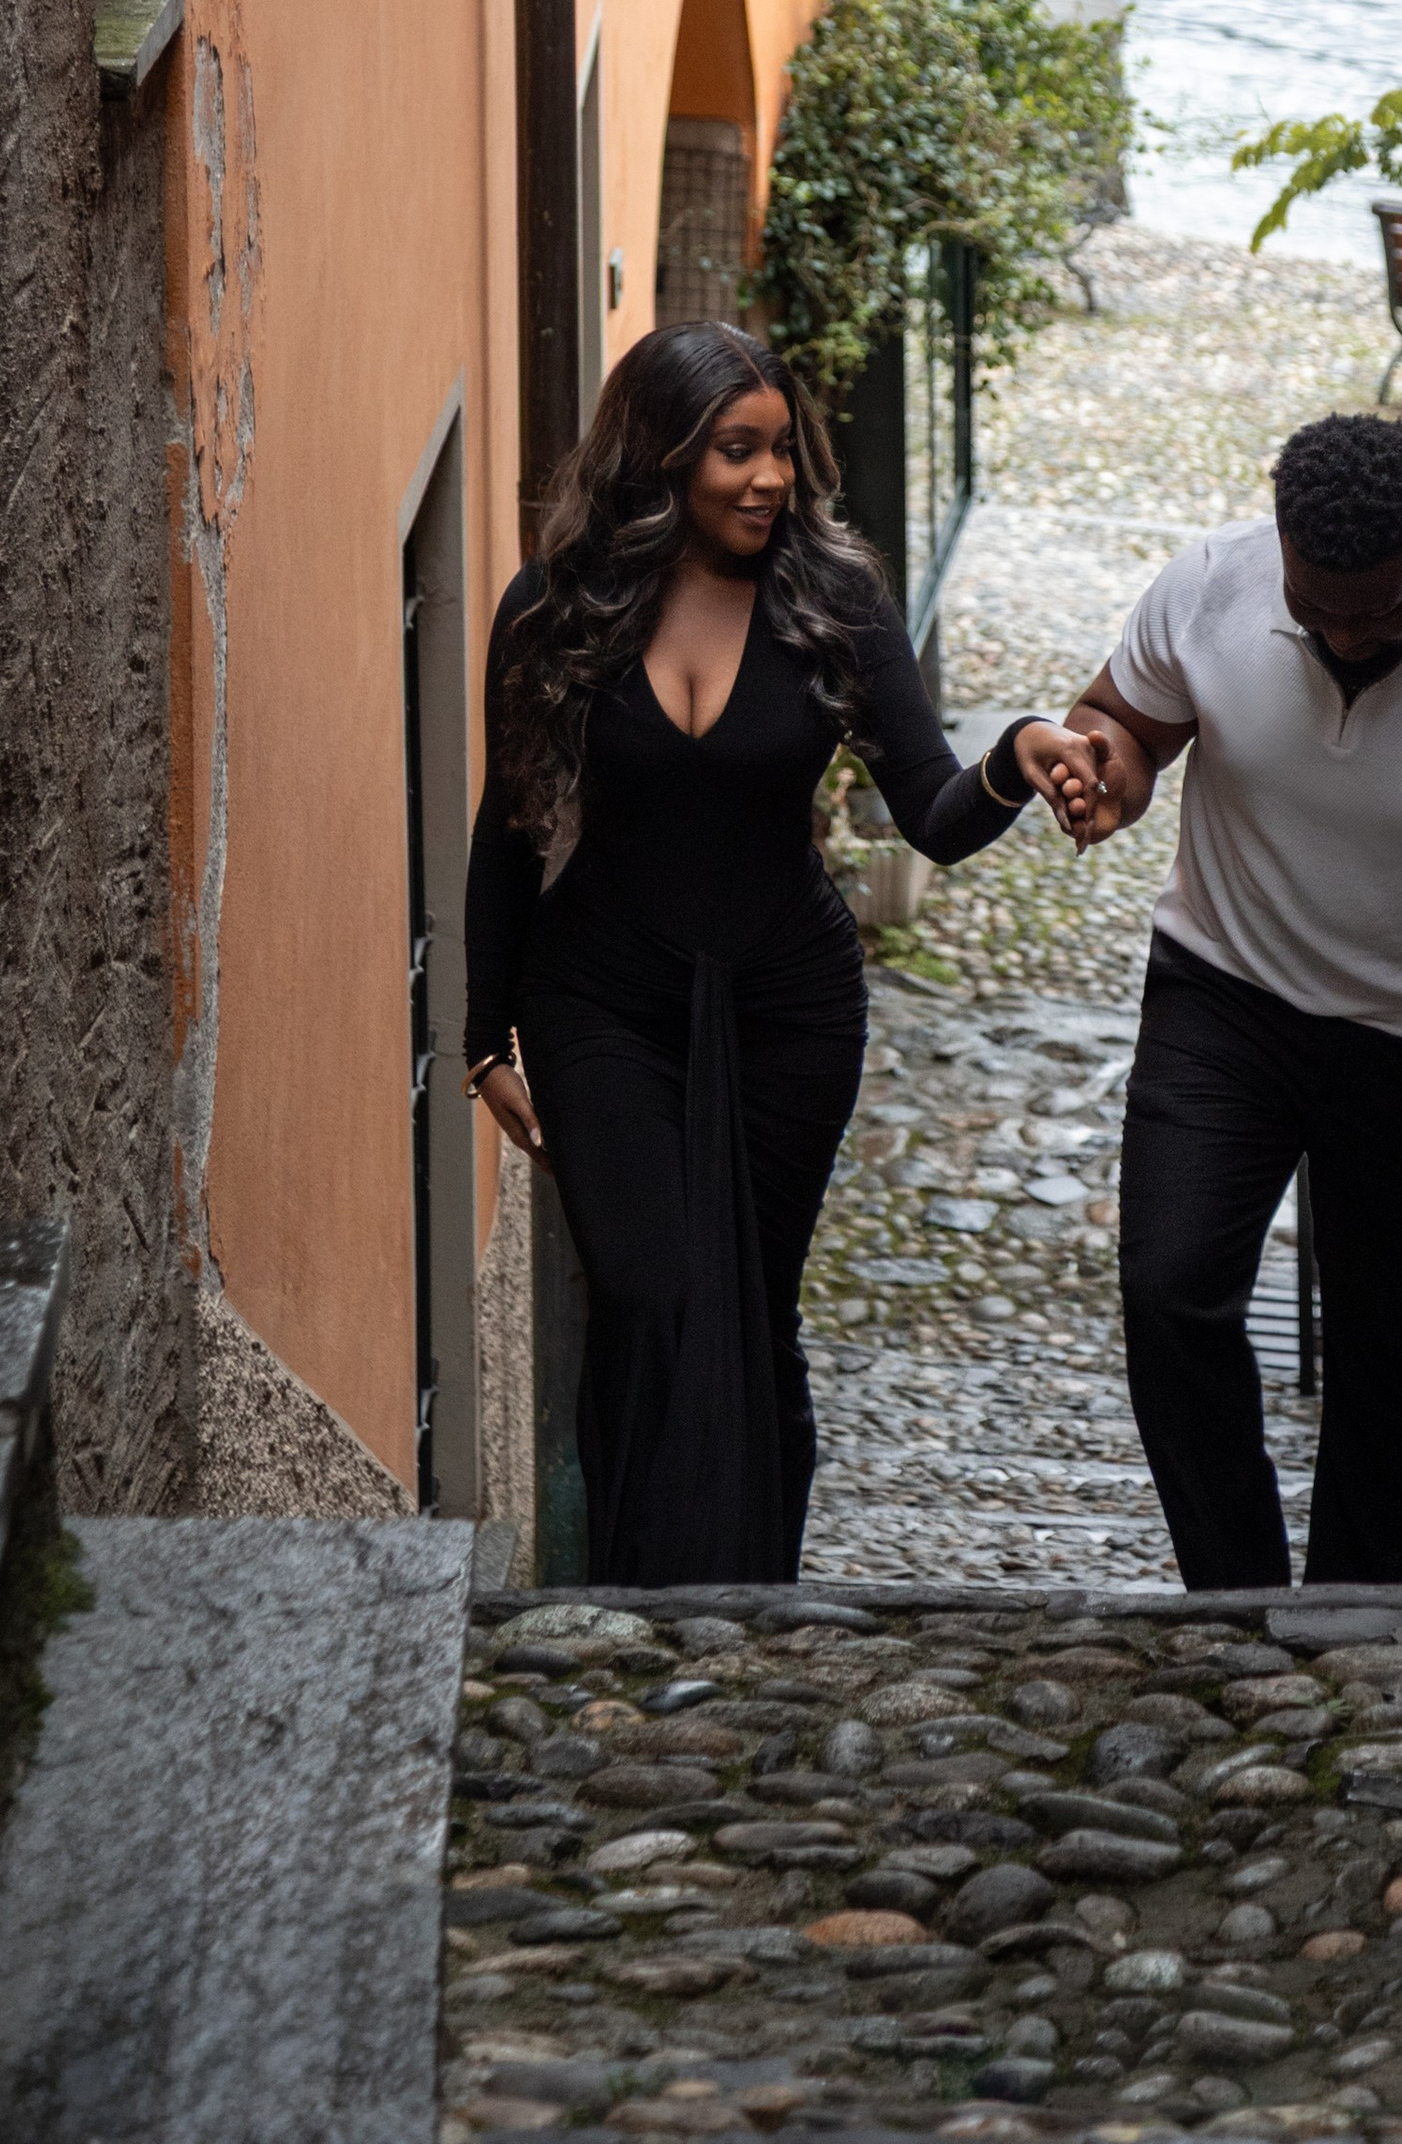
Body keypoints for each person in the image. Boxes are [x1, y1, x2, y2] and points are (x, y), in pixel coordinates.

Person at [463, 321, 1081, 1585]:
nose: (770, 478)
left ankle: (755, 1592)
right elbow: (511, 825)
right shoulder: (553, 607)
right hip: (602, 1001)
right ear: (661, 457)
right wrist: (483, 1039)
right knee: (644, 1296)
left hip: (787, 1007)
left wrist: (1017, 749)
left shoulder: (831, 596)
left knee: (752, 1304)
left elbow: (930, 812)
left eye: (780, 449)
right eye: (734, 451)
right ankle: (629, 1584)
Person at [1045, 407, 1402, 1590]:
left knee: (1393, 1357)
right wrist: (1103, 765)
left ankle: (1356, 1614)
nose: (1348, 637)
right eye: (1319, 610)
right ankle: (1239, 1601)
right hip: (1224, 997)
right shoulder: (1212, 586)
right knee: (1168, 1297)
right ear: (1280, 555)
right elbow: (1126, 717)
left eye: (1381, 611)